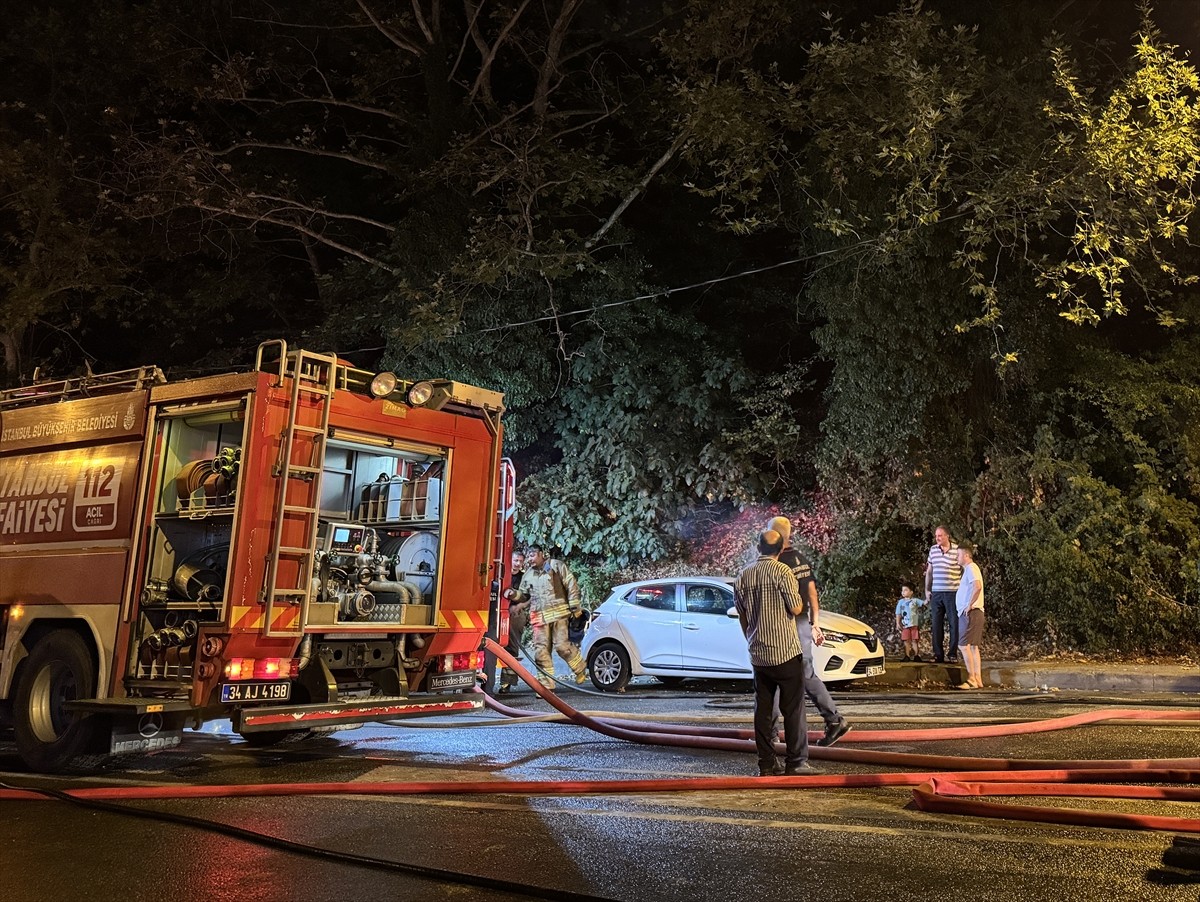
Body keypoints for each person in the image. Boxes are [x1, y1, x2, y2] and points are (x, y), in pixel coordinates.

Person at [734, 528, 823, 777]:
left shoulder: (743, 575)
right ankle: (796, 762)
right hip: (785, 651)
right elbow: (795, 608)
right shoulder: (783, 571)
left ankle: (766, 763)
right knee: (793, 708)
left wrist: (751, 639)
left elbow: (741, 615)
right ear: (781, 549)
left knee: (763, 711)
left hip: (759, 655)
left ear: (758, 547)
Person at [766, 516, 852, 748]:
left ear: (775, 536)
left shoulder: (776, 562)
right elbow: (812, 594)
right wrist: (815, 624)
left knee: (771, 676)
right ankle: (834, 720)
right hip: (803, 624)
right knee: (807, 674)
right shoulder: (800, 559)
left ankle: (770, 734)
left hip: (784, 625)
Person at [504, 545, 588, 689]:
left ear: (542, 554)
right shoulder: (528, 575)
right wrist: (513, 594)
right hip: (539, 619)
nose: (530, 559)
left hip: (559, 615)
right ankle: (546, 686)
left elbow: (571, 584)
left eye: (532, 555)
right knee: (541, 652)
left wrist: (575, 607)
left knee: (562, 647)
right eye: (528, 556)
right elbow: (525, 595)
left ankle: (580, 669)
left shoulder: (556, 566)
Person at [924, 525, 963, 665]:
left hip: (953, 592)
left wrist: (963, 592)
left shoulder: (957, 550)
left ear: (947, 536)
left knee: (954, 623)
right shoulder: (933, 550)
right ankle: (938, 654)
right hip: (937, 593)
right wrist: (927, 590)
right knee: (936, 624)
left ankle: (952, 654)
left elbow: (964, 570)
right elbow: (929, 572)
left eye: (940, 535)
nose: (937, 538)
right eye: (936, 536)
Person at [954, 543, 986, 690]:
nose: (957, 558)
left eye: (958, 555)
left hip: (971, 613)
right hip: (973, 612)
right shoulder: (969, 570)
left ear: (966, 555)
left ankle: (972, 678)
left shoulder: (971, 568)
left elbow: (977, 586)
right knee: (973, 647)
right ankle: (977, 678)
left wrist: (969, 605)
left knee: (963, 645)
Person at [498, 550, 529, 693]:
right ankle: (483, 678)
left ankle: (506, 684)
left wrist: (518, 607)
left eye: (520, 562)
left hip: (514, 615)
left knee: (511, 647)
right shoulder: (501, 574)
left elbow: (529, 597)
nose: (517, 564)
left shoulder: (524, 578)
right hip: (497, 614)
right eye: (515, 560)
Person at [893, 582, 927, 661]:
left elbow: (924, 603)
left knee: (915, 640)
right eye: (902, 590)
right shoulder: (901, 602)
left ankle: (916, 655)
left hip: (914, 624)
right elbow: (898, 613)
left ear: (911, 592)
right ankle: (907, 656)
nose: (903, 592)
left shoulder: (915, 601)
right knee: (906, 640)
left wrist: (928, 598)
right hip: (905, 625)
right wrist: (898, 623)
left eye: (905, 590)